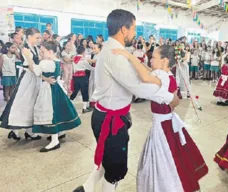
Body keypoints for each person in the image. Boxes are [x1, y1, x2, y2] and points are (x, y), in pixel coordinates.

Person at [73, 9, 179, 192]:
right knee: (116, 171)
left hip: (108, 115)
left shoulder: (113, 50)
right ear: (124, 29)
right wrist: (169, 96)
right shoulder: (115, 54)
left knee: (108, 161)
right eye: (134, 28)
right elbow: (138, 86)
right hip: (110, 120)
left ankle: (86, 188)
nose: (135, 33)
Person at [112, 44, 208, 192]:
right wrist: (141, 63)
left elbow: (145, 78)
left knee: (163, 162)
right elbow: (151, 72)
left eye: (154, 58)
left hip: (161, 127)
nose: (151, 60)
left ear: (164, 61)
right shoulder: (167, 75)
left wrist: (130, 57)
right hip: (167, 122)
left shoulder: (161, 76)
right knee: (171, 160)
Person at [22, 41, 81, 152]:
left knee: (50, 113)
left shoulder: (47, 62)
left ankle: (55, 141)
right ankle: (59, 133)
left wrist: (28, 57)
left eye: (42, 51)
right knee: (56, 111)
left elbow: (36, 71)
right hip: (55, 88)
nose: (41, 53)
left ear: (50, 52)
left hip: (49, 89)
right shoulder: (56, 61)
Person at [1, 28, 53, 141]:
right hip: (27, 79)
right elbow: (31, 66)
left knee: (32, 104)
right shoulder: (25, 49)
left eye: (39, 37)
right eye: (37, 37)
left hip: (35, 78)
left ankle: (29, 131)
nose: (39, 40)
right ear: (29, 37)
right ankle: (14, 131)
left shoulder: (35, 48)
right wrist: (44, 78)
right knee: (21, 103)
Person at [69, 46, 94, 114]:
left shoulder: (74, 59)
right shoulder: (83, 60)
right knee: (84, 91)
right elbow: (89, 68)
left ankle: (69, 103)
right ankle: (84, 108)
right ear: (83, 52)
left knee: (75, 91)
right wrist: (96, 68)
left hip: (75, 77)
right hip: (83, 77)